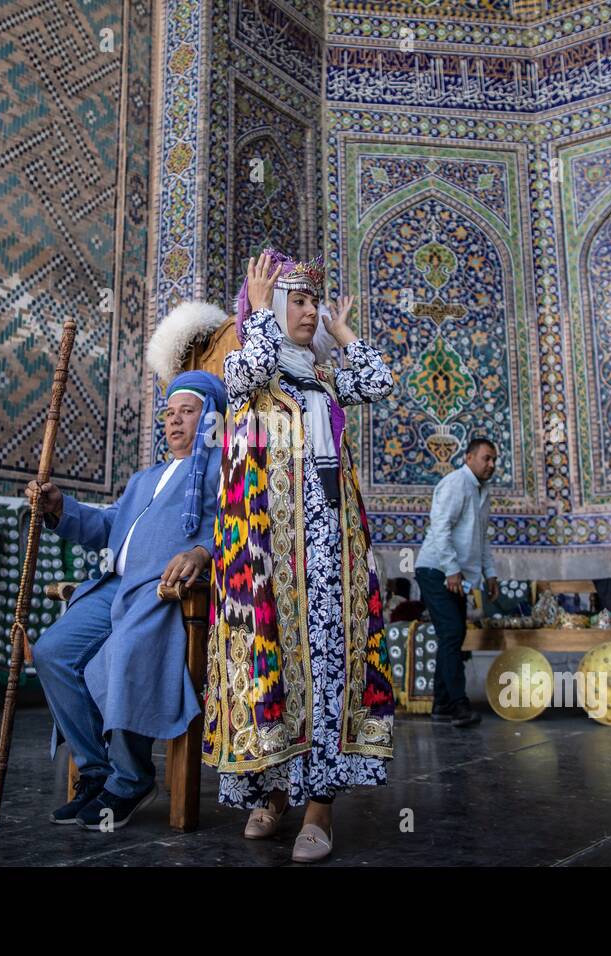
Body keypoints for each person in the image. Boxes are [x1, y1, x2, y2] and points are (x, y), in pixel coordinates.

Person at [203, 249, 395, 863]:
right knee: (277, 664)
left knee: (330, 667)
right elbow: (248, 368)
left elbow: (380, 381)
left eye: (315, 301)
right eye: (300, 301)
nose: (310, 312)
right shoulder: (249, 370)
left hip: (331, 550)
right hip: (270, 553)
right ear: (267, 306)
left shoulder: (323, 377)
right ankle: (275, 792)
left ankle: (320, 809)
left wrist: (342, 332)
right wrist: (258, 312)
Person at [26, 371, 226, 831]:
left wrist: (202, 552)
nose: (174, 423)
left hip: (164, 592)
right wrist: (60, 507)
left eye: (187, 412)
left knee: (124, 653)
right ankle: (95, 772)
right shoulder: (144, 478)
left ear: (211, 418)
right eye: (169, 414)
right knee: (52, 652)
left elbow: (240, 530)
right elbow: (105, 528)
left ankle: (131, 778)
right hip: (112, 587)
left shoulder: (223, 470)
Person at [414, 437, 499, 727]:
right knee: (452, 634)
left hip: (455, 575)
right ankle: (458, 705)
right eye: (486, 458)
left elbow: (481, 537)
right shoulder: (456, 484)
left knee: (452, 636)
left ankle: (442, 706)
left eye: (494, 460)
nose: (491, 465)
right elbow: (440, 527)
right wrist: (451, 570)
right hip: (436, 570)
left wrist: (491, 574)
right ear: (469, 457)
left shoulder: (481, 490)